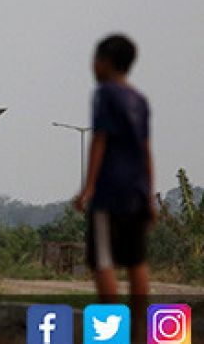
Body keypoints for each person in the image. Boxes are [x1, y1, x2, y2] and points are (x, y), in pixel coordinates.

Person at [73, 34, 152, 338]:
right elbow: (145, 149)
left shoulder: (105, 94)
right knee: (136, 261)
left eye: (96, 58)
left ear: (106, 62)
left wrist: (88, 187)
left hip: (110, 192)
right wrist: (149, 194)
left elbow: (100, 139)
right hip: (137, 191)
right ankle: (139, 329)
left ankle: (111, 332)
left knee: (104, 262)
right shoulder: (139, 100)